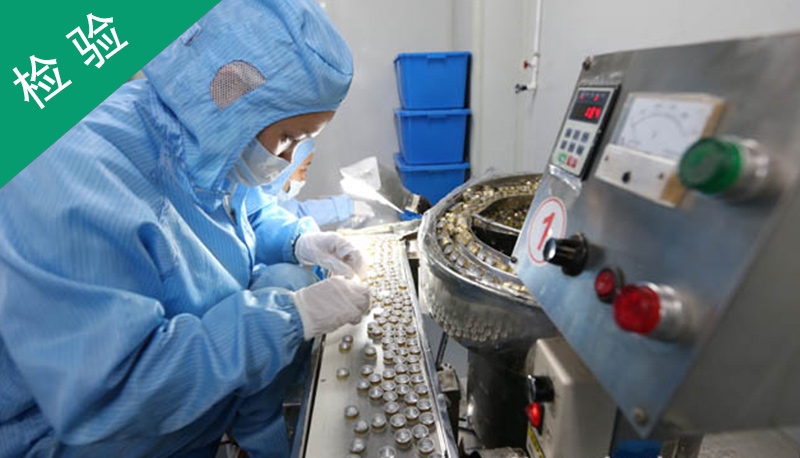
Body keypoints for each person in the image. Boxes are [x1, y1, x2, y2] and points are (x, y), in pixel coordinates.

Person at [0, 1, 369, 457]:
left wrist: (299, 241)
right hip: (84, 438)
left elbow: (236, 212)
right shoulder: (71, 188)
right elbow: (117, 399)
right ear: (237, 99)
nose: (289, 159)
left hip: (180, 418)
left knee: (287, 276)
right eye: (289, 138)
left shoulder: (197, 134)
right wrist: (290, 318)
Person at [253, 140, 375, 227]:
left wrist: (346, 206)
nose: (303, 178)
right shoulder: (257, 205)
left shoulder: (276, 200)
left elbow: (298, 212)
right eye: (302, 170)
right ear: (283, 170)